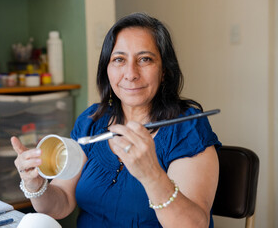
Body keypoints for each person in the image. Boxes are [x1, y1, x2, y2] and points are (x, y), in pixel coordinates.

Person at [11, 12, 221, 228]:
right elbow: (61, 203)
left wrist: (151, 175)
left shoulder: (187, 129)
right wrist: (35, 185)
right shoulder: (92, 121)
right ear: (107, 69)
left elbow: (195, 225)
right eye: (119, 59)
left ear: (164, 71)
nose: (130, 73)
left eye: (145, 59)